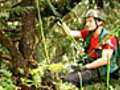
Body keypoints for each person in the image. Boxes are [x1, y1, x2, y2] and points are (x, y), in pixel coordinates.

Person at [60, 9, 119, 88]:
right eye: (86, 21)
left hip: (101, 70)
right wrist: (61, 23)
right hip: (90, 66)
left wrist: (83, 67)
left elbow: (105, 60)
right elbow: (70, 33)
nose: (87, 24)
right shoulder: (89, 33)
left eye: (90, 21)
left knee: (69, 79)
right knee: (62, 74)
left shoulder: (108, 38)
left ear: (99, 22)